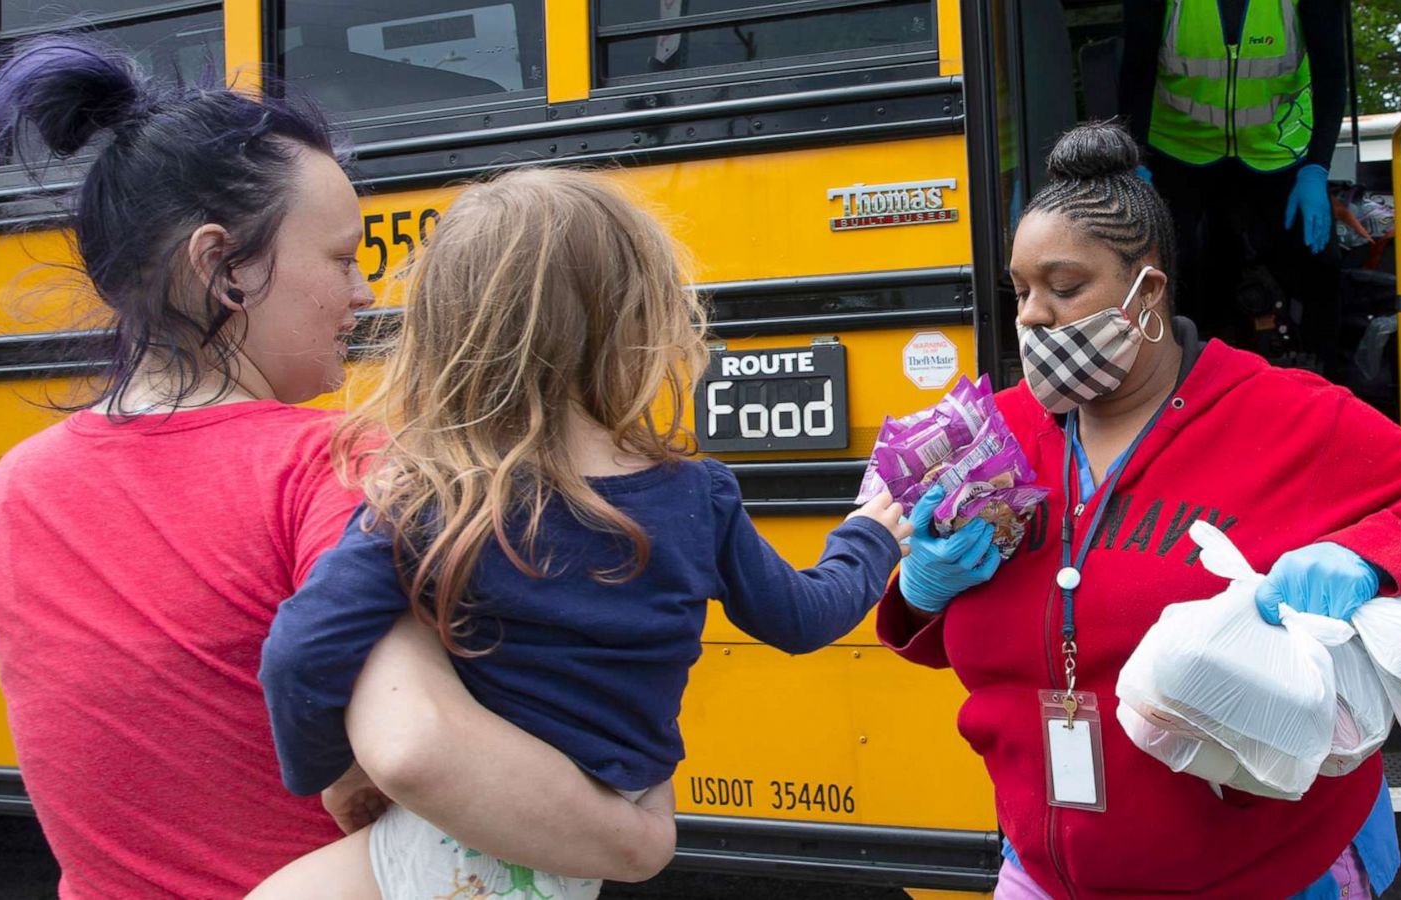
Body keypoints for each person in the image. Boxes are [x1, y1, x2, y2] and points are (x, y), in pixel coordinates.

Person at [0, 38, 675, 899]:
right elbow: (417, 744)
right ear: (223, 267)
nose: (366, 294)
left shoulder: (18, 488)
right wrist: (635, 840)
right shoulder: (328, 464)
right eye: (342, 259)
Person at [878, 122, 1401, 900]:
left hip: (1266, 877)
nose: (1034, 317)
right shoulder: (992, 437)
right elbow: (951, 642)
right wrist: (921, 590)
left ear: (1147, 293)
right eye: (1021, 290)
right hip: (1042, 876)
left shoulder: (1286, 416)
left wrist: (1373, 555)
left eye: (1065, 286)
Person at [251, 168, 914, 899]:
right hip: (595, 834)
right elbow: (802, 618)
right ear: (640, 322)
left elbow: (301, 652)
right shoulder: (699, 494)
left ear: (447, 334)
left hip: (468, 833)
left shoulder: (431, 499)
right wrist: (868, 540)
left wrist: (329, 778)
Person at [1120, 0, 1347, 371]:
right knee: (1175, 262)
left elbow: (1332, 75)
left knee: (1320, 262)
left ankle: (1326, 382)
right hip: (1179, 149)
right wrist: (1136, 162)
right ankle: (1180, 379)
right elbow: (1136, 71)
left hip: (1276, 150)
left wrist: (1316, 168)